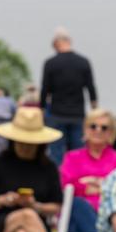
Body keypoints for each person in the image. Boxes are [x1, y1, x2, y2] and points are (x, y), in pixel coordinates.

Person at [0, 107, 64, 232]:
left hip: (38, 226)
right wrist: (3, 200)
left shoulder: (48, 167)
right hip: (1, 225)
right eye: (21, 142)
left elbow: (56, 206)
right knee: (27, 215)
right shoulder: (1, 163)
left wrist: (35, 205)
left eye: (30, 143)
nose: (25, 147)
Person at [57, 108, 116, 232]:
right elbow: (66, 186)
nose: (98, 130)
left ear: (111, 133)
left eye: (104, 128)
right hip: (79, 212)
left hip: (111, 215)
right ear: (85, 129)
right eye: (93, 126)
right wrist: (99, 184)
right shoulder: (72, 157)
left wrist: (92, 182)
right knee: (77, 205)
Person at [40, 27, 98, 165]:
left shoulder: (50, 63)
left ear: (55, 44)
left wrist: (41, 109)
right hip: (78, 114)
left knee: (56, 155)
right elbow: (91, 89)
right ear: (69, 41)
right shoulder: (83, 62)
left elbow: (45, 90)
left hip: (56, 114)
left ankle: (58, 184)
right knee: (78, 154)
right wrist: (95, 112)